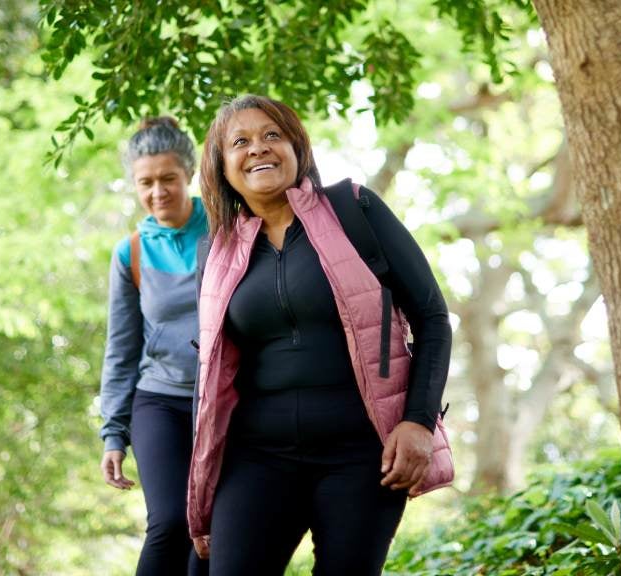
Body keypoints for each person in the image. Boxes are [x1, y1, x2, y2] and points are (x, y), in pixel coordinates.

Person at [187, 95, 455, 575]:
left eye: (272, 135)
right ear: (221, 166)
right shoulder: (217, 248)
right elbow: (209, 373)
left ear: (296, 146)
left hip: (362, 456)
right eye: (240, 142)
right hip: (257, 456)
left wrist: (418, 421)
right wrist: (203, 483)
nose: (258, 149)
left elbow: (432, 316)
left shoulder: (355, 210)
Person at [99, 117, 209, 576]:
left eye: (168, 179)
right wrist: (113, 433)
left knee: (215, 528)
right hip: (159, 399)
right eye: (146, 182)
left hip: (224, 402)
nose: (158, 192)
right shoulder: (132, 253)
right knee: (170, 520)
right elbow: (121, 349)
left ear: (189, 174)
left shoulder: (228, 226)